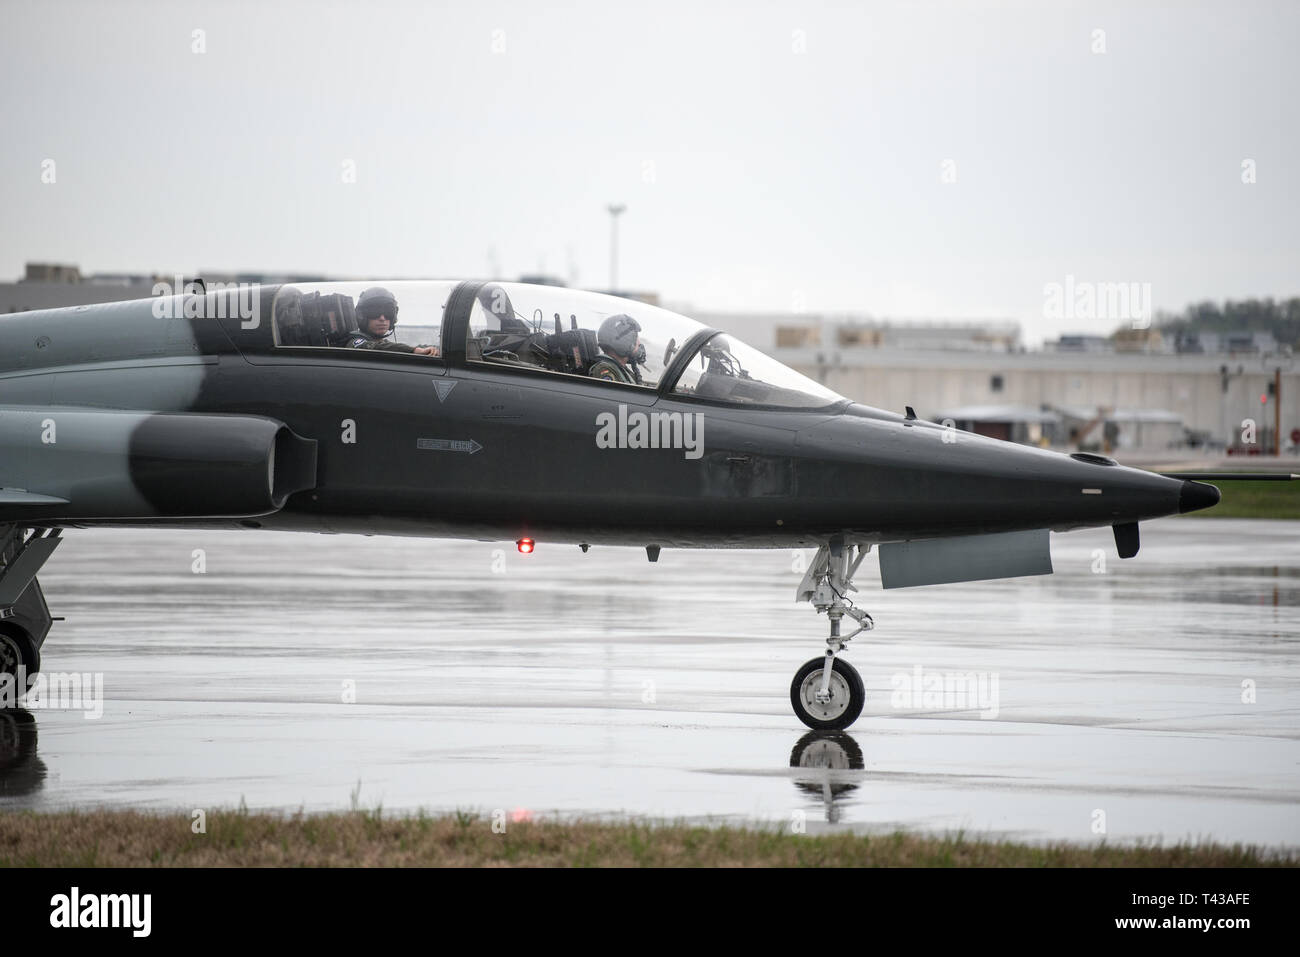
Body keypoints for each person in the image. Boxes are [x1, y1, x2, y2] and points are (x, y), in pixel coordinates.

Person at [347, 286, 439, 355]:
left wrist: (432, 349)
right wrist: (414, 350)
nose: (382, 318)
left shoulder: (384, 344)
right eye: (374, 312)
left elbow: (390, 347)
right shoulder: (355, 343)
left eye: (388, 312)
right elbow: (378, 348)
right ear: (361, 316)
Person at [589, 314, 646, 384]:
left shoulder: (621, 369)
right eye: (637, 341)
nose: (639, 346)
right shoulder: (604, 369)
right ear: (624, 342)